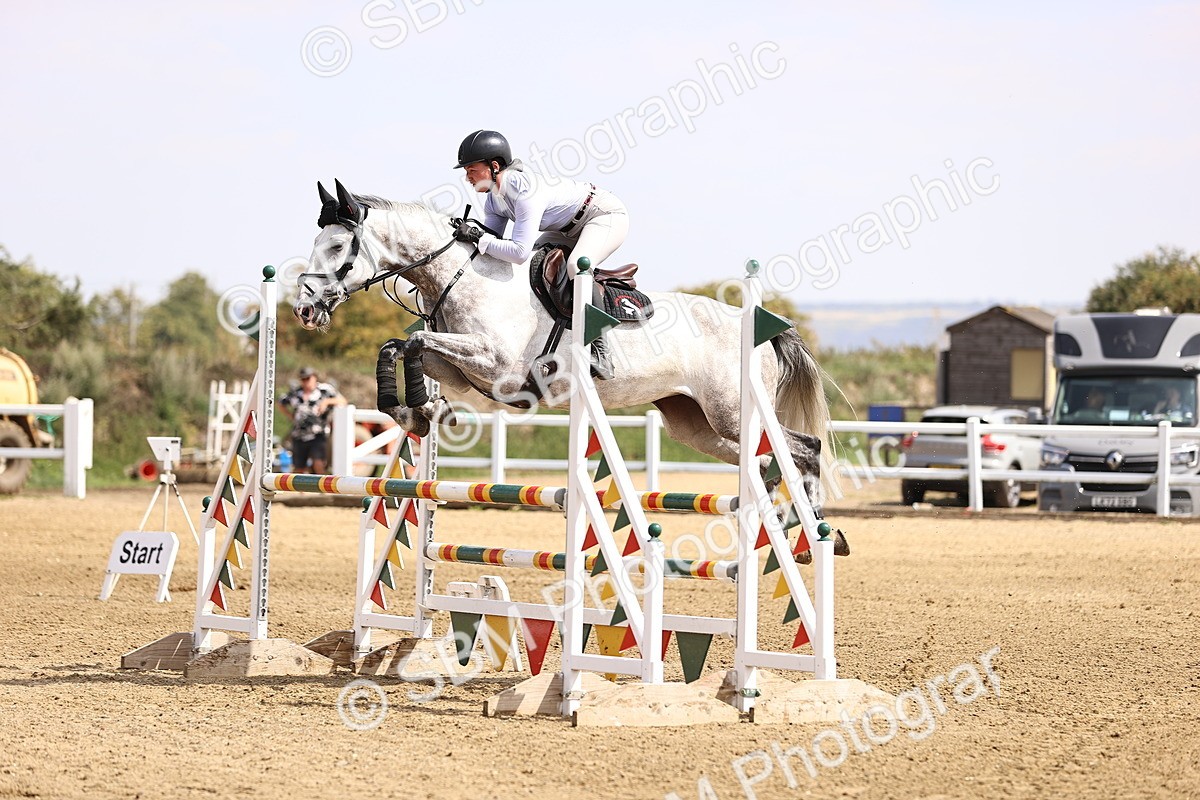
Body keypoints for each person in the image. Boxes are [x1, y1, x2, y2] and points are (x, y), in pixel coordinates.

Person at [451, 129, 629, 276]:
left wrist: (476, 235)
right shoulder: (493, 201)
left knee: (575, 267)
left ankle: (598, 311)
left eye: (472, 170)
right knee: (532, 268)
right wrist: (470, 236)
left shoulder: (524, 190)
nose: (467, 178)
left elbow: (519, 252)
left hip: (602, 214)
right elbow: (491, 245)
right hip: (563, 230)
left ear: (495, 167)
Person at [279, 366, 346, 474]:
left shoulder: (324, 390)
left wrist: (326, 402)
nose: (305, 382)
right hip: (299, 434)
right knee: (299, 468)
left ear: (314, 377)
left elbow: (342, 401)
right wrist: (290, 416)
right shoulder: (296, 393)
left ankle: (322, 484)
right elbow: (281, 403)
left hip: (318, 434)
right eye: (303, 379)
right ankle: (300, 485)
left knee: (318, 463)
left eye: (308, 378)